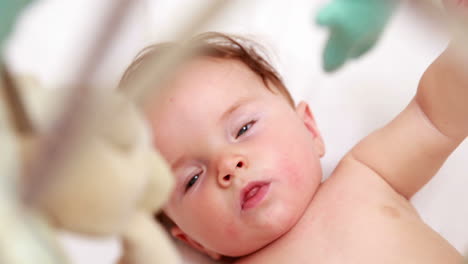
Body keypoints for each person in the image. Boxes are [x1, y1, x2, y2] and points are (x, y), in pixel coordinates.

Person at [118, 11, 467, 263]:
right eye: (192, 179)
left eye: (243, 129)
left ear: (309, 128)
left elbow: (432, 117)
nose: (228, 165)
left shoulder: (368, 174)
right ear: (191, 239)